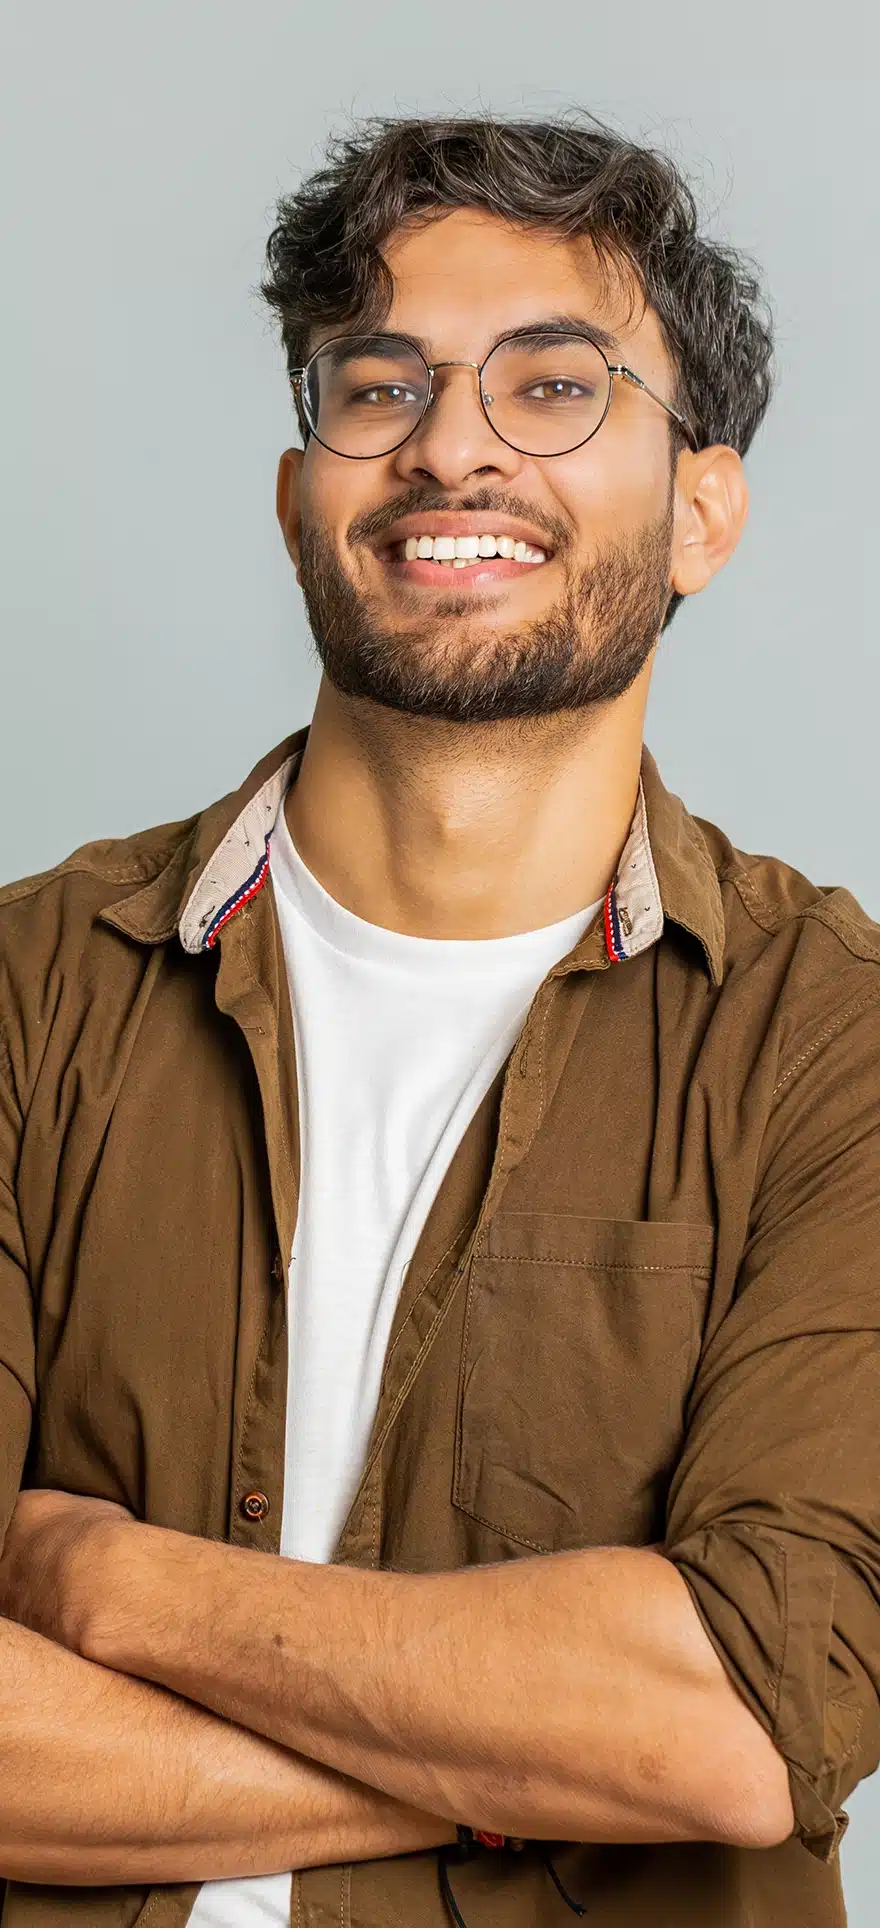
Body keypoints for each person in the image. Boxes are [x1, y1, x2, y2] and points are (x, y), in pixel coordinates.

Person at [0, 110, 877, 1928]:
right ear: (296, 499)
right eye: (379, 386)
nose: (453, 446)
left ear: (703, 511)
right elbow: (673, 1756)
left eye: (556, 385)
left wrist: (111, 1589)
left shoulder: (837, 1051)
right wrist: (543, 1765)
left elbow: (745, 1717)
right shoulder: (24, 992)